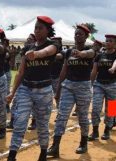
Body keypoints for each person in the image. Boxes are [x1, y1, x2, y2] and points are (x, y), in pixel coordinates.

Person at [6, 16, 58, 161]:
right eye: (35, 27)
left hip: (44, 91)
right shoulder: (27, 48)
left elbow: (47, 52)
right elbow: (21, 72)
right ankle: (12, 156)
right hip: (26, 89)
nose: (36, 30)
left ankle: (43, 153)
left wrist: (36, 54)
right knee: (19, 123)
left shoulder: (53, 44)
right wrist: (12, 92)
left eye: (40, 28)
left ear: (48, 30)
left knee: (42, 125)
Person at [47, 25, 95, 158]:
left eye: (80, 34)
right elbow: (64, 70)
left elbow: (90, 54)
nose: (77, 36)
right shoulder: (68, 52)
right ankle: (55, 147)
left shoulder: (91, 51)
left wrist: (82, 54)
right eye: (76, 34)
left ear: (86, 37)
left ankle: (105, 127)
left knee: (86, 115)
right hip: (69, 86)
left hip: (99, 87)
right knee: (62, 116)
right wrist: (58, 89)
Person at [88, 34, 116, 141]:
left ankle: (107, 130)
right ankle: (95, 131)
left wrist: (113, 69)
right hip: (99, 84)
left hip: (113, 85)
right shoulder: (99, 55)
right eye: (107, 40)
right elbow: (94, 71)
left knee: (112, 110)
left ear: (115, 44)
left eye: (110, 41)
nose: (108, 42)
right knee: (95, 108)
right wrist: (90, 84)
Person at [7, 33, 36, 130]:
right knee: (15, 102)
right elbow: (20, 71)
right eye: (27, 39)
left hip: (34, 83)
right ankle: (12, 121)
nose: (28, 40)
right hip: (22, 82)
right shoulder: (25, 51)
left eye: (30, 39)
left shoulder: (38, 51)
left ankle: (34, 122)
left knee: (34, 105)